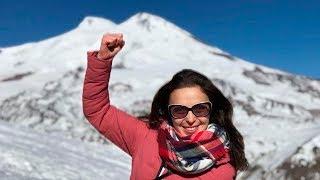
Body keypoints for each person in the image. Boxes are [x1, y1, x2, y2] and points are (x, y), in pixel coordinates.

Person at [82, 33, 249, 179]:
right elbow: (98, 111)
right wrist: (102, 60)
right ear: (169, 111)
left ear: (211, 109)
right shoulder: (146, 136)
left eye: (200, 109)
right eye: (179, 110)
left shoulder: (223, 170)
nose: (190, 119)